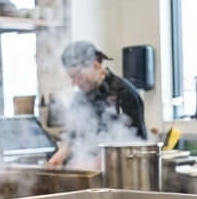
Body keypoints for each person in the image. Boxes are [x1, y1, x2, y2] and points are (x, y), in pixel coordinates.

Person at [47, 40, 147, 168]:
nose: (75, 83)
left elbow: (137, 144)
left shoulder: (124, 93)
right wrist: (57, 158)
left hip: (121, 175)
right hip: (90, 175)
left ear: (96, 65)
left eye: (78, 76)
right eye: (71, 77)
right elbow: (72, 137)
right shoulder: (80, 97)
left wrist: (99, 162)